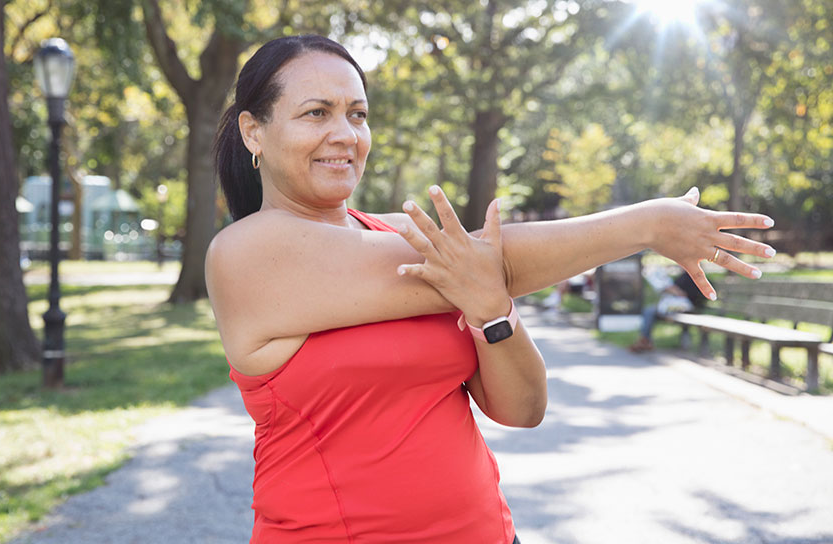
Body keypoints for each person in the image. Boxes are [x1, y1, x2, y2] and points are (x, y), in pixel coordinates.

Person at [204, 35, 774, 543]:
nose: (345, 134)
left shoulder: (396, 234)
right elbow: (496, 258)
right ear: (254, 131)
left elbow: (523, 408)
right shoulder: (246, 253)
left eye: (357, 113)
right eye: (315, 112)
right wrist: (646, 225)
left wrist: (492, 312)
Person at [629, 270, 705, 352]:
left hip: (685, 307)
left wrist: (676, 292)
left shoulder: (693, 276)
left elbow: (687, 294)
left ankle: (645, 340)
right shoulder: (684, 276)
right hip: (673, 305)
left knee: (650, 311)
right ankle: (644, 339)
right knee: (649, 311)